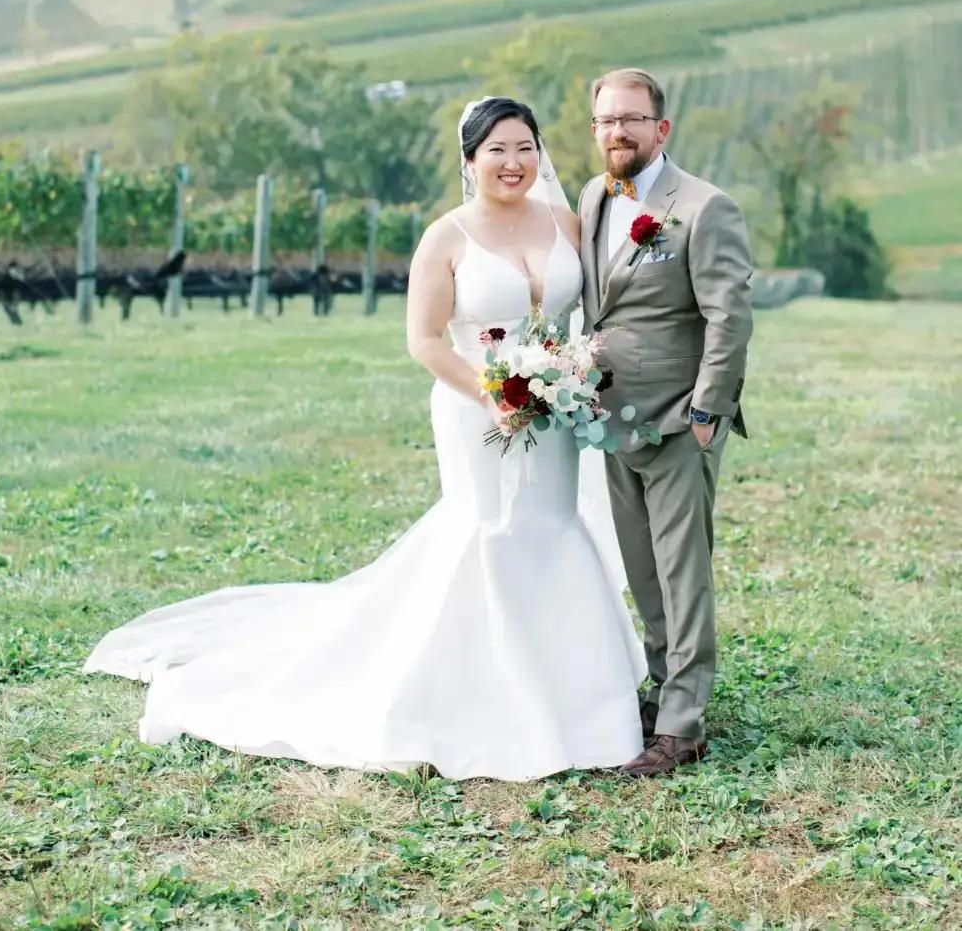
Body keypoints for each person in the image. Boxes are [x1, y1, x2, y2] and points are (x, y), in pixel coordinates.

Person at [83, 96, 646, 781]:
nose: (514, 161)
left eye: (526, 146)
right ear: (470, 159)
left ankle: (574, 695)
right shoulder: (446, 237)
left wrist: (568, 376)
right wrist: (495, 395)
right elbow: (424, 340)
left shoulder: (564, 222)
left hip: (554, 413)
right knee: (489, 530)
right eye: (497, 148)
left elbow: (592, 312)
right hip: (477, 411)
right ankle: (472, 695)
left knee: (552, 525)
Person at [578, 67, 754, 777]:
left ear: (662, 127)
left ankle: (683, 725)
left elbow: (729, 313)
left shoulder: (705, 207)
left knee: (684, 573)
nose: (617, 131)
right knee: (643, 569)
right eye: (605, 121)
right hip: (608, 418)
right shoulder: (593, 197)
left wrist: (708, 409)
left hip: (681, 421)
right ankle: (662, 688)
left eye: (631, 118)